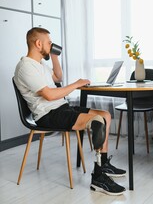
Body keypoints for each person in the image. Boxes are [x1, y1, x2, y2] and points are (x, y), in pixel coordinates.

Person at [14, 27, 126, 196]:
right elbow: (50, 95)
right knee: (97, 121)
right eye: (49, 43)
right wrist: (76, 84)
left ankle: (103, 164)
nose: (52, 45)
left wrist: (54, 56)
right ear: (38, 43)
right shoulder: (25, 67)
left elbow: (58, 78)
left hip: (61, 108)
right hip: (47, 115)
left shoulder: (40, 64)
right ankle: (98, 178)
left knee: (105, 115)